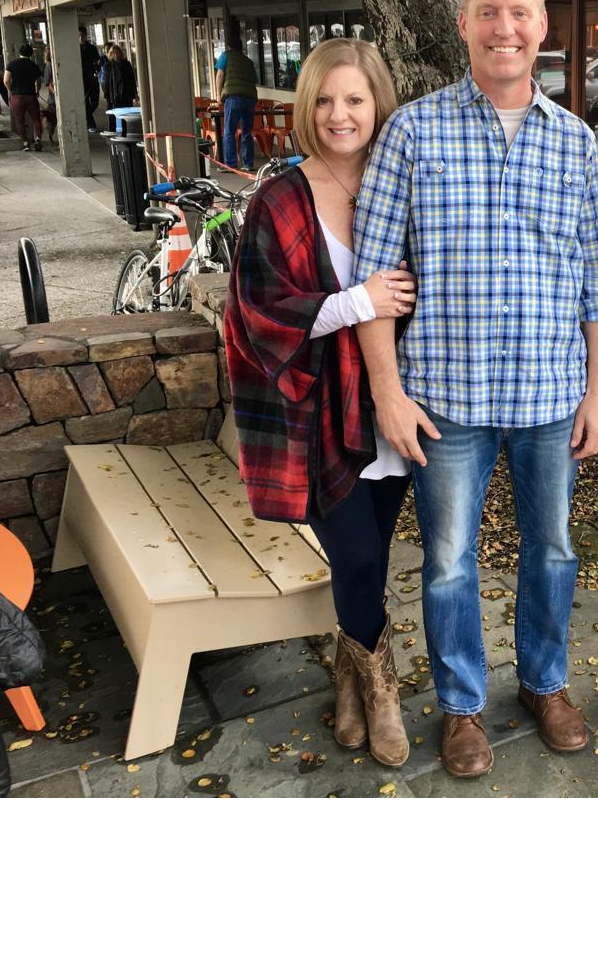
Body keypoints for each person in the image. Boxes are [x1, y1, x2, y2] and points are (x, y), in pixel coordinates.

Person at [352, 0, 598, 779]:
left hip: (548, 395)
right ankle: (463, 706)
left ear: (543, 27)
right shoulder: (414, 130)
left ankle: (545, 684)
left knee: (552, 552)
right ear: (463, 23)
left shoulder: (576, 143)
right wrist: (388, 395)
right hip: (447, 397)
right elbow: (372, 280)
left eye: (520, 13)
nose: (505, 28)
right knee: (447, 561)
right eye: (489, 12)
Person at [224, 38, 420, 767]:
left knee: (371, 554)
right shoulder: (281, 198)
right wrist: (355, 302)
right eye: (327, 100)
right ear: (308, 106)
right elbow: (258, 311)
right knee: (360, 556)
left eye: (356, 99)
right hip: (317, 415)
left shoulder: (401, 185)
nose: (341, 114)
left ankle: (350, 676)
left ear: (379, 105)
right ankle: (381, 690)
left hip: (395, 404)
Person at [215, 29, 259, 170]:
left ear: (228, 47)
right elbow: (254, 80)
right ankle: (248, 163)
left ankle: (231, 164)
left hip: (233, 97)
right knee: (246, 131)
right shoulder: (248, 61)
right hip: (250, 98)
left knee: (229, 131)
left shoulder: (226, 56)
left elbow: (220, 75)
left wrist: (218, 95)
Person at [3, 43, 42, 151]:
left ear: (19, 52)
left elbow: (6, 80)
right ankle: (38, 139)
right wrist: (37, 91)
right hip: (31, 96)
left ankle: (25, 143)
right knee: (36, 119)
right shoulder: (34, 66)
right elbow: (39, 80)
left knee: (19, 120)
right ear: (30, 53)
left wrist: (10, 91)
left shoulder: (12, 64)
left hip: (17, 96)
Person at [102, 43, 138, 127]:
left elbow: (132, 79)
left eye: (117, 52)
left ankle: (127, 129)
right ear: (110, 54)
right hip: (115, 94)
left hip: (127, 94)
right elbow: (106, 82)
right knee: (117, 114)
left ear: (120, 53)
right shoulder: (108, 65)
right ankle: (118, 130)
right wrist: (107, 95)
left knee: (127, 114)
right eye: (113, 53)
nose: (115, 54)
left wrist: (135, 93)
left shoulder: (127, 64)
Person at [80, 29, 102, 133]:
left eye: (82, 35)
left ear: (85, 36)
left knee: (95, 101)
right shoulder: (75, 49)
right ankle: (91, 124)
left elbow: (97, 61)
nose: (80, 38)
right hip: (81, 78)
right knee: (85, 102)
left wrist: (97, 70)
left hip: (92, 77)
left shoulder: (92, 48)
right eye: (78, 36)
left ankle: (85, 117)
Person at [39, 50, 58, 148]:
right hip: (54, 98)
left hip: (53, 98)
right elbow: (46, 81)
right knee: (53, 119)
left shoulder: (49, 65)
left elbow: (46, 81)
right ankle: (51, 138)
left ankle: (51, 138)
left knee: (53, 119)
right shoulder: (52, 64)